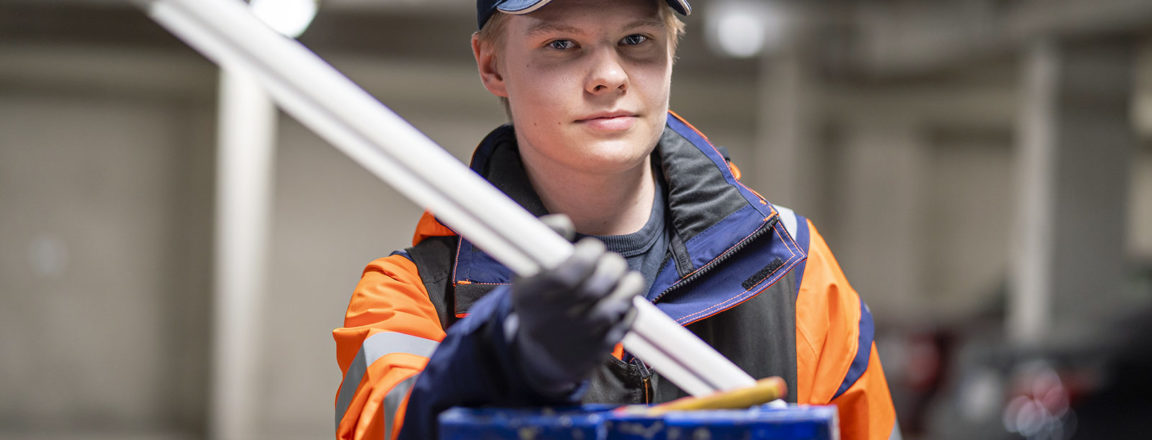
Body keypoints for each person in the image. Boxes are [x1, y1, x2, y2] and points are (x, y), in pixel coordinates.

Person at [333, 0, 899, 439]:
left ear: (672, 51)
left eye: (636, 39)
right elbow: (389, 423)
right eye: (561, 43)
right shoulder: (410, 294)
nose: (609, 75)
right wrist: (492, 360)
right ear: (491, 64)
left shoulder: (791, 268)